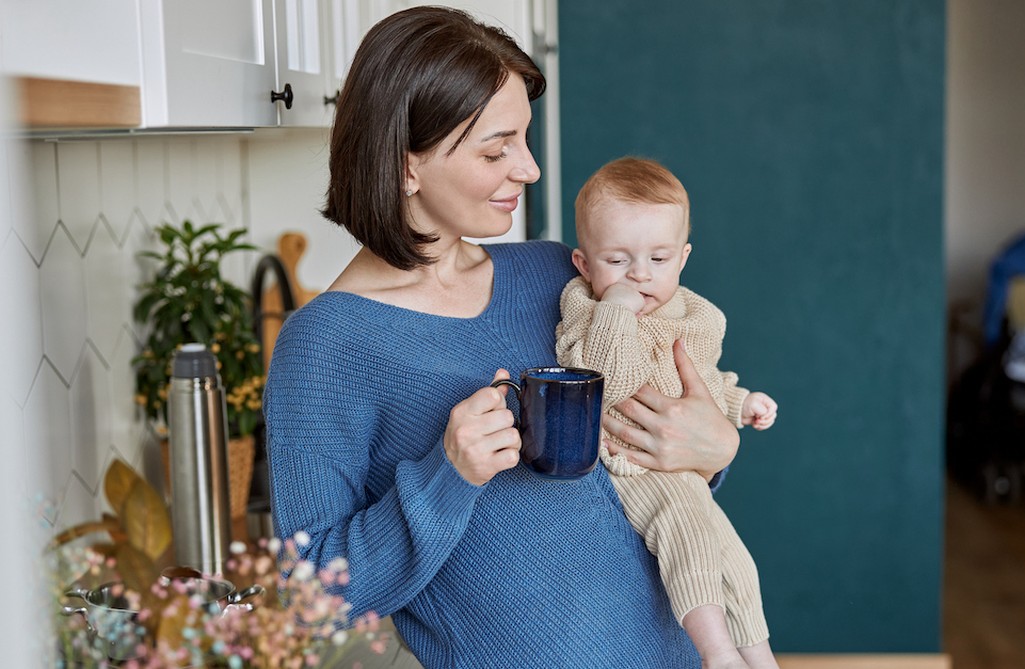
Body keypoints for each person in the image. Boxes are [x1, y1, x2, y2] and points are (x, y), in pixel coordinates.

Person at [263, 7, 740, 668]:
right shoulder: (326, 345)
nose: (530, 169)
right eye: (497, 148)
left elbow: (641, 470)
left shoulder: (556, 275)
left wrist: (715, 448)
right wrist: (447, 474)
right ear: (407, 164)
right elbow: (306, 596)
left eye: (525, 140)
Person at [555, 156, 779, 669]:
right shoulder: (585, 309)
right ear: (584, 265)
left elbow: (701, 379)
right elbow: (608, 379)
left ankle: (761, 659)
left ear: (683, 257)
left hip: (684, 471)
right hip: (631, 464)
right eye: (617, 261)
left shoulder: (693, 314)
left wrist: (739, 402)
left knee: (735, 560)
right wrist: (614, 308)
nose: (638, 275)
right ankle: (716, 654)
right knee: (690, 538)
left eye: (659, 259)